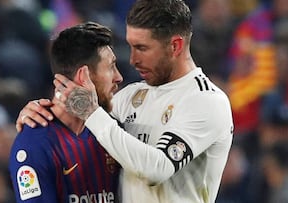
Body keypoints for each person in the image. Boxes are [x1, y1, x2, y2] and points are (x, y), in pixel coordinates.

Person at [17, 0, 234, 202]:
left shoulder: (206, 100)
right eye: (130, 46)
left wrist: (91, 112)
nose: (132, 60)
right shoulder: (129, 97)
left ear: (175, 46)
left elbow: (157, 169)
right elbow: (82, 121)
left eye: (142, 48)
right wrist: (41, 113)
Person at [9, 22, 122, 202]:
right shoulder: (34, 145)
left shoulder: (113, 131)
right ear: (83, 76)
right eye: (111, 67)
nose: (119, 77)